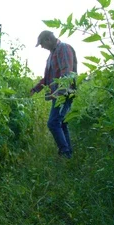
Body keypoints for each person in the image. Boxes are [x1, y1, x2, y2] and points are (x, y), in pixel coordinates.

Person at [30, 30, 77, 159]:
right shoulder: (52, 55)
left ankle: (65, 152)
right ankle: (68, 155)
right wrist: (35, 89)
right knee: (61, 123)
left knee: (53, 122)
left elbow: (66, 73)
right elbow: (47, 79)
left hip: (64, 94)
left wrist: (59, 92)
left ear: (48, 40)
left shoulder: (63, 48)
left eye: (41, 44)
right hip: (57, 94)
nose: (42, 47)